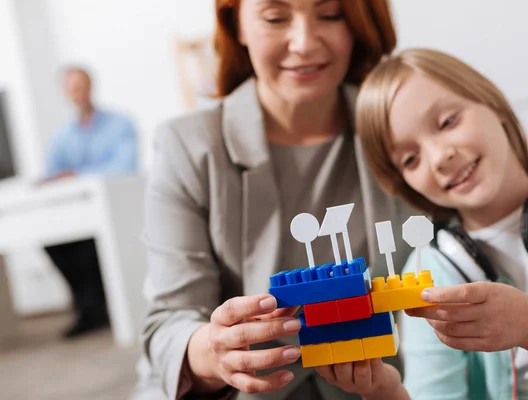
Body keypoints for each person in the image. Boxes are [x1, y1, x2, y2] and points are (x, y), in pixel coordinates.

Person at [132, 0, 414, 399]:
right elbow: (168, 323)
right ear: (238, 26)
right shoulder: (188, 145)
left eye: (330, 14)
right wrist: (215, 354)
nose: (303, 42)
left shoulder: (401, 125)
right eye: (275, 18)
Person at [314, 48, 528, 399]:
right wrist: (384, 391)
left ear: (493, 104)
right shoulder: (430, 273)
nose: (439, 157)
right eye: (410, 158)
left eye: (448, 122)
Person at [43, 66, 138, 338]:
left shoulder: (120, 124)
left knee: (89, 246)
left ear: (91, 86)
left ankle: (97, 308)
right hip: (75, 212)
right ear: (66, 93)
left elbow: (125, 167)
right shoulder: (62, 136)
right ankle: (89, 308)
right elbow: (52, 172)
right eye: (72, 88)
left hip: (114, 211)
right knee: (55, 240)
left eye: (81, 86)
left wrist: (78, 175)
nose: (78, 93)